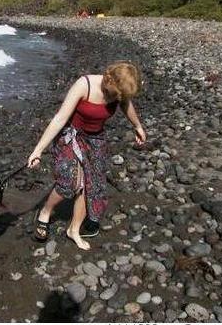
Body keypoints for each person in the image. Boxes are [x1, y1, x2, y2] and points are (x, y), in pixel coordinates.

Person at [27, 61, 146, 250]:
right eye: (116, 94)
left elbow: (126, 105)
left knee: (90, 184)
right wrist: (38, 150)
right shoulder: (85, 85)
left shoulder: (119, 92)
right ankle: (45, 212)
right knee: (69, 181)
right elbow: (59, 119)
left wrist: (137, 126)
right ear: (108, 79)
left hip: (95, 140)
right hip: (70, 135)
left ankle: (73, 230)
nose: (117, 98)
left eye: (120, 96)